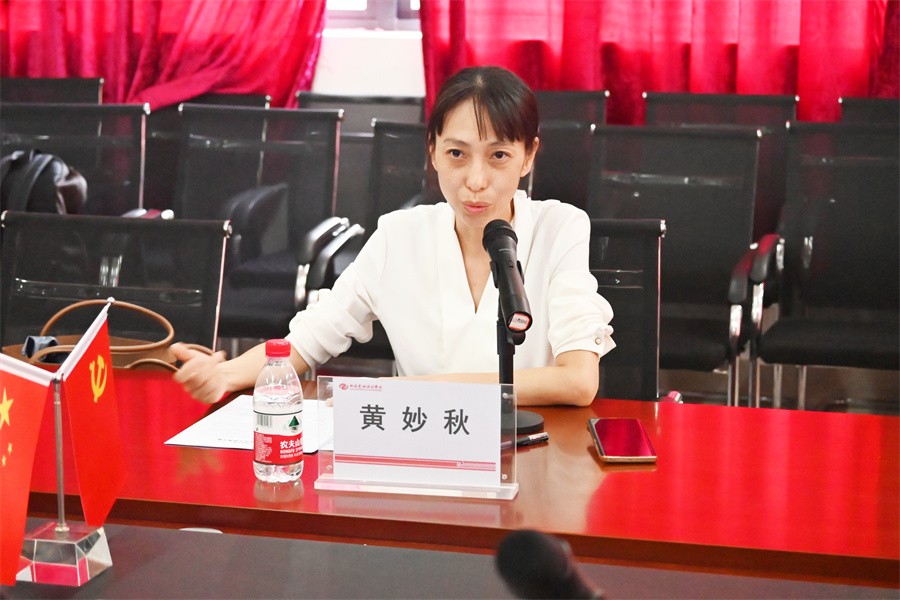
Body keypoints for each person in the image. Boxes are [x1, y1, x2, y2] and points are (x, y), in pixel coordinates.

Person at [172, 65, 614, 407]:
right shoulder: (399, 236)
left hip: (530, 452)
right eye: (457, 154)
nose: (476, 180)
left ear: (528, 156)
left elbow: (578, 381)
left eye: (498, 155)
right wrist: (224, 374)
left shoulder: (560, 228)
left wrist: (422, 390)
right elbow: (307, 341)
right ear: (433, 152)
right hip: (421, 450)